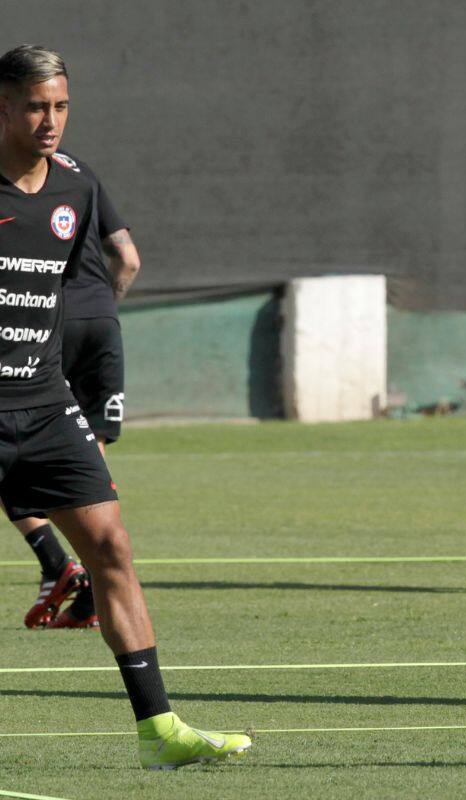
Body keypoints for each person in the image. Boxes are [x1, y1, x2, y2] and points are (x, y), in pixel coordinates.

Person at [0, 44, 250, 769]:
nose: (51, 122)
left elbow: (82, 297)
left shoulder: (75, 189)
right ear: (5, 107)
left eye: (62, 106)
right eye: (36, 107)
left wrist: (83, 384)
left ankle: (160, 731)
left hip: (43, 403)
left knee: (111, 546)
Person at [17, 147, 141, 629]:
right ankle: (97, 582)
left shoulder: (19, 176)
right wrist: (103, 310)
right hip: (103, 323)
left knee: (20, 441)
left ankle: (55, 562)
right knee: (89, 462)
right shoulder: (81, 170)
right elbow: (128, 259)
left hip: (47, 326)